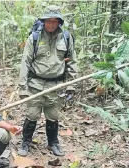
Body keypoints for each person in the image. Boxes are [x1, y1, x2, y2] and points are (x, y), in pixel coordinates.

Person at [18, 5, 78, 157]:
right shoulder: (34, 38)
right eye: (48, 21)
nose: (51, 24)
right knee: (32, 114)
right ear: (43, 21)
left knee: (53, 115)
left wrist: (71, 85)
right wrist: (22, 87)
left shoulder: (66, 37)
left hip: (56, 85)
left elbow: (72, 62)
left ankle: (53, 142)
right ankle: (25, 142)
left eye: (54, 21)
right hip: (36, 83)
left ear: (59, 22)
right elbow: (25, 62)